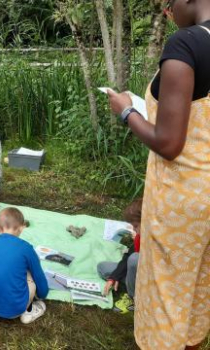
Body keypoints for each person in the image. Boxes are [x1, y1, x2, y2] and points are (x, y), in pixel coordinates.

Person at [107, 1, 210, 348]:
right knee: (198, 298)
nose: (168, 11)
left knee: (166, 303)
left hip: (182, 200)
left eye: (169, 3)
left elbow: (168, 142)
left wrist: (126, 112)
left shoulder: (186, 44)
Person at [0, 207, 49, 324]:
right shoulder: (26, 248)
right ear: (22, 227)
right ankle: (29, 311)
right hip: (14, 309)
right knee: (30, 273)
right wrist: (42, 294)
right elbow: (38, 275)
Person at [97, 198, 142, 313]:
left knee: (134, 259)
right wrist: (114, 277)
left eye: (136, 226)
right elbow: (127, 257)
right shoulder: (139, 237)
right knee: (103, 268)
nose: (134, 230)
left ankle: (133, 298)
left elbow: (132, 260)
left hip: (149, 280)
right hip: (138, 275)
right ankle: (130, 284)